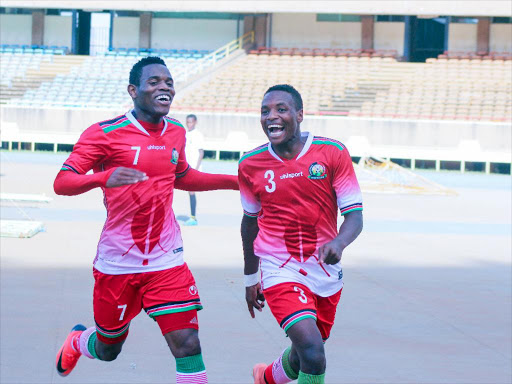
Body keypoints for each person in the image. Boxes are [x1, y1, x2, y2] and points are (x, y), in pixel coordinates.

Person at [53, 56, 238, 384]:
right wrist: (103, 177)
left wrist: (236, 181)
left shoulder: (177, 131)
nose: (164, 86)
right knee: (109, 349)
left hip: (167, 261)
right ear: (133, 90)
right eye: (154, 82)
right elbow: (62, 182)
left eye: (168, 82)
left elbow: (182, 176)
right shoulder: (104, 133)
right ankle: (79, 341)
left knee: (187, 343)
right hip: (117, 264)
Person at [238, 84, 363, 384]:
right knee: (314, 353)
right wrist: (250, 278)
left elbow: (355, 216)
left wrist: (339, 242)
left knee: (304, 352)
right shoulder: (250, 164)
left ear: (300, 115)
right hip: (279, 270)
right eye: (265, 111)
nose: (272, 117)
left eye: (281, 109)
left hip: (325, 272)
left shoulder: (331, 153)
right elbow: (249, 224)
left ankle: (266, 377)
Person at [184, 114, 204, 226]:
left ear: (195, 122)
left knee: (191, 191)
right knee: (188, 191)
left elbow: (201, 153)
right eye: (187, 122)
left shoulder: (198, 135)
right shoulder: (185, 134)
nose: (189, 124)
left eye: (191, 122)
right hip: (186, 168)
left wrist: (196, 168)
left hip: (193, 168)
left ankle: (193, 218)